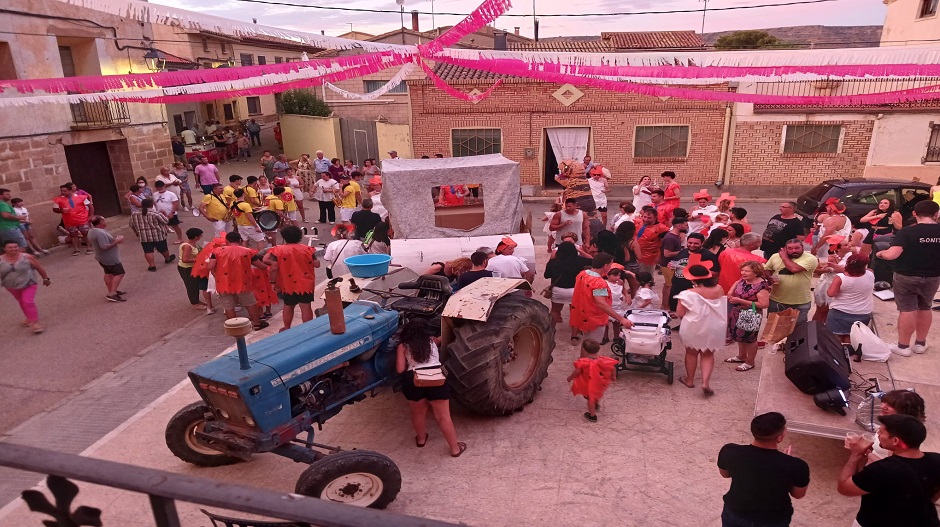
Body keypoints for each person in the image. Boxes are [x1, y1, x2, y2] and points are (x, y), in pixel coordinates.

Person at [837, 414, 940, 527]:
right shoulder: (936, 460)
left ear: (895, 441)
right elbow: (934, 496)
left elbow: (844, 488)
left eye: (881, 432)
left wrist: (855, 454)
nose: (878, 434)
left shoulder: (880, 470)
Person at [718, 412, 810, 527]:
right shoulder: (797, 466)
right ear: (779, 438)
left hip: (735, 513)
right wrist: (787, 461)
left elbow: (725, 474)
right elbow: (798, 494)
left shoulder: (729, 451)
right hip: (773, 520)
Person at [876, 200, 940, 356]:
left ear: (914, 214)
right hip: (933, 276)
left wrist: (881, 253)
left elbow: (892, 255)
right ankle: (920, 344)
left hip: (906, 276)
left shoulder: (907, 232)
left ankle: (903, 347)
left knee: (907, 309)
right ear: (936, 214)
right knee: (925, 307)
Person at [395, 318, 466, 457]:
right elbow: (442, 337)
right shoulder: (431, 341)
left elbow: (400, 369)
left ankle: (421, 440)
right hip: (436, 378)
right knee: (443, 416)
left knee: (418, 413)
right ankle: (454, 448)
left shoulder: (403, 346)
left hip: (413, 379)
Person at [675, 263, 727, 396]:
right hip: (714, 326)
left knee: (691, 353)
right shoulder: (719, 289)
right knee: (708, 354)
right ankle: (705, 383)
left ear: (692, 279)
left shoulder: (686, 294)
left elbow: (679, 313)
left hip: (693, 326)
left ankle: (689, 380)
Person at [208, 231, 269, 330]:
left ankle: (234, 327)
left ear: (227, 241)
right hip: (243, 282)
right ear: (240, 240)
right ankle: (257, 324)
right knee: (250, 303)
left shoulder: (217, 251)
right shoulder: (248, 251)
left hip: (223, 283)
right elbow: (261, 266)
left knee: (228, 306)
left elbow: (210, 266)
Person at [264, 225, 319, 330]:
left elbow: (274, 268)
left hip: (287, 284)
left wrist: (272, 282)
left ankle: (287, 327)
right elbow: (316, 264)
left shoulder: (277, 250)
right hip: (306, 284)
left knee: (288, 305)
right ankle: (308, 329)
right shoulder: (308, 249)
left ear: (284, 237)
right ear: (300, 236)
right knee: (306, 306)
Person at [571, 253, 633, 344]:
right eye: (610, 265)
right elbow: (601, 303)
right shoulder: (599, 283)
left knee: (586, 345)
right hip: (594, 319)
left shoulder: (582, 274)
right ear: (605, 266)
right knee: (592, 347)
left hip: (581, 315)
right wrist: (621, 319)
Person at [726, 261, 771, 372]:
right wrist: (730, 292)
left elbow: (764, 304)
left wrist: (740, 300)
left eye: (747, 271)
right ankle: (741, 356)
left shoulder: (761, 287)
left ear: (755, 273)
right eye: (742, 270)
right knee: (739, 336)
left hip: (751, 314)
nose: (743, 273)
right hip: (738, 312)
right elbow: (737, 282)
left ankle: (750, 362)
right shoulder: (743, 280)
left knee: (750, 338)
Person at [764, 238, 818, 325]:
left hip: (800, 302)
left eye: (797, 248)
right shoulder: (775, 256)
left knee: (798, 330)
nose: (794, 251)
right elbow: (767, 269)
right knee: (773, 328)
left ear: (802, 247)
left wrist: (784, 257)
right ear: (785, 248)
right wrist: (769, 277)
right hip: (777, 300)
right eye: (790, 248)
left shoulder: (810, 258)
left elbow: (794, 269)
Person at [2, 239, 51, 333]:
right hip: (11, 286)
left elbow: (39, 268)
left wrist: (46, 279)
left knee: (27, 301)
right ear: (4, 249)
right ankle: (29, 318)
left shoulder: (27, 257)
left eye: (15, 247)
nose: (13, 249)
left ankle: (35, 323)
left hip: (29, 283)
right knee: (21, 301)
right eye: (10, 247)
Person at [544, 241, 593, 335]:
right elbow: (591, 259)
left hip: (558, 290)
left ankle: (550, 332)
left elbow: (546, 275)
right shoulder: (579, 261)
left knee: (555, 311)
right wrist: (580, 250)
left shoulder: (553, 262)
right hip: (574, 290)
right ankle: (574, 336)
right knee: (575, 313)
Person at [822, 254, 873, 343]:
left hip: (840, 313)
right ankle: (851, 355)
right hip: (863, 313)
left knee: (835, 341)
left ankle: (837, 356)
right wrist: (836, 267)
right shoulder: (870, 273)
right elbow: (859, 270)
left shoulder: (840, 278)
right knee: (852, 339)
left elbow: (831, 293)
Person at [867, 390, 927, 464]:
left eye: (890, 405)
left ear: (904, 411)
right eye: (884, 402)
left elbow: (891, 466)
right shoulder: (891, 425)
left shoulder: (899, 435)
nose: (882, 406)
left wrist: (867, 453)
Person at [567, 339, 618, 423]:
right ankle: (596, 403)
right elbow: (612, 368)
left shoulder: (583, 361)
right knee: (596, 395)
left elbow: (577, 371)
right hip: (601, 383)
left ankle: (592, 416)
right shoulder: (603, 359)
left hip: (590, 383)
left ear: (584, 350)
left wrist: (570, 377)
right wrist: (613, 376)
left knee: (590, 399)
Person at [669, 233, 721, 313]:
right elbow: (677, 264)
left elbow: (715, 273)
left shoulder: (708, 255)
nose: (692, 245)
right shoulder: (682, 252)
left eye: (696, 243)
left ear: (702, 243)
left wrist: (696, 272)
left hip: (695, 291)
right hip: (677, 287)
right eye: (690, 243)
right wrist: (672, 266)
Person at [87, 216, 126, 303]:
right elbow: (104, 246)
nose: (105, 221)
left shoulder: (91, 231)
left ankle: (112, 290)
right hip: (110, 258)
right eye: (104, 220)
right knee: (120, 273)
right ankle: (112, 293)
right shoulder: (100, 233)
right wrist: (117, 241)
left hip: (101, 257)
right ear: (100, 222)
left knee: (108, 273)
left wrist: (114, 240)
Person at [130, 198, 176, 272]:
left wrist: (137, 233)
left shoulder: (134, 214)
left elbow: (132, 225)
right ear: (152, 205)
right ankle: (167, 258)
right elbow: (165, 221)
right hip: (158, 235)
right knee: (163, 248)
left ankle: (152, 266)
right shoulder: (156, 214)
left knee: (148, 251)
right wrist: (165, 214)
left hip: (144, 236)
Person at [178, 228, 214, 312]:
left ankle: (196, 300)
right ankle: (194, 303)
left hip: (193, 267)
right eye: (199, 235)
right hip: (186, 268)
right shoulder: (187, 246)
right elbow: (185, 259)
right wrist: (198, 260)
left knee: (195, 284)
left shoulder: (194, 243)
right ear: (195, 237)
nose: (201, 236)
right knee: (191, 286)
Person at [52, 184, 93, 256]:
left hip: (82, 219)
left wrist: (91, 215)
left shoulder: (81, 197)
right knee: (73, 235)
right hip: (70, 221)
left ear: (70, 190)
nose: (63, 192)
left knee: (85, 234)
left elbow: (90, 206)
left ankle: (89, 247)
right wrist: (61, 210)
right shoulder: (58, 199)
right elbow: (54, 209)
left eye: (65, 191)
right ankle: (76, 249)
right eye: (61, 191)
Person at [660, 217, 687, 310]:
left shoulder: (675, 236)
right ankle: (666, 307)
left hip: (670, 264)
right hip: (668, 265)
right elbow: (666, 254)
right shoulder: (670, 238)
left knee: (667, 285)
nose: (687, 226)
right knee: (669, 286)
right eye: (685, 224)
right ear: (679, 226)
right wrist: (682, 251)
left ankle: (664, 305)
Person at [634, 208, 669, 274]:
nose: (646, 219)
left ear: (655, 218)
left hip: (648, 258)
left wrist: (660, 257)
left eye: (649, 218)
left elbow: (665, 245)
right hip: (635, 255)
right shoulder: (638, 222)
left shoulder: (661, 229)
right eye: (644, 217)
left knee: (646, 277)